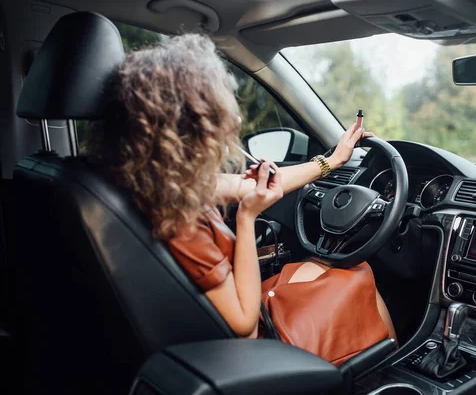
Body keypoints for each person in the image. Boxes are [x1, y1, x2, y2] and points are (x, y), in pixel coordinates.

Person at [89, 34, 396, 366]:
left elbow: (254, 187)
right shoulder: (180, 221)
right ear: (186, 126)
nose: (232, 121)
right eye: (216, 110)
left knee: (319, 266)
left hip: (201, 330)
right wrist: (246, 219)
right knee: (357, 274)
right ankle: (387, 370)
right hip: (244, 354)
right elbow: (245, 327)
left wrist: (332, 161)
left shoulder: (150, 182)